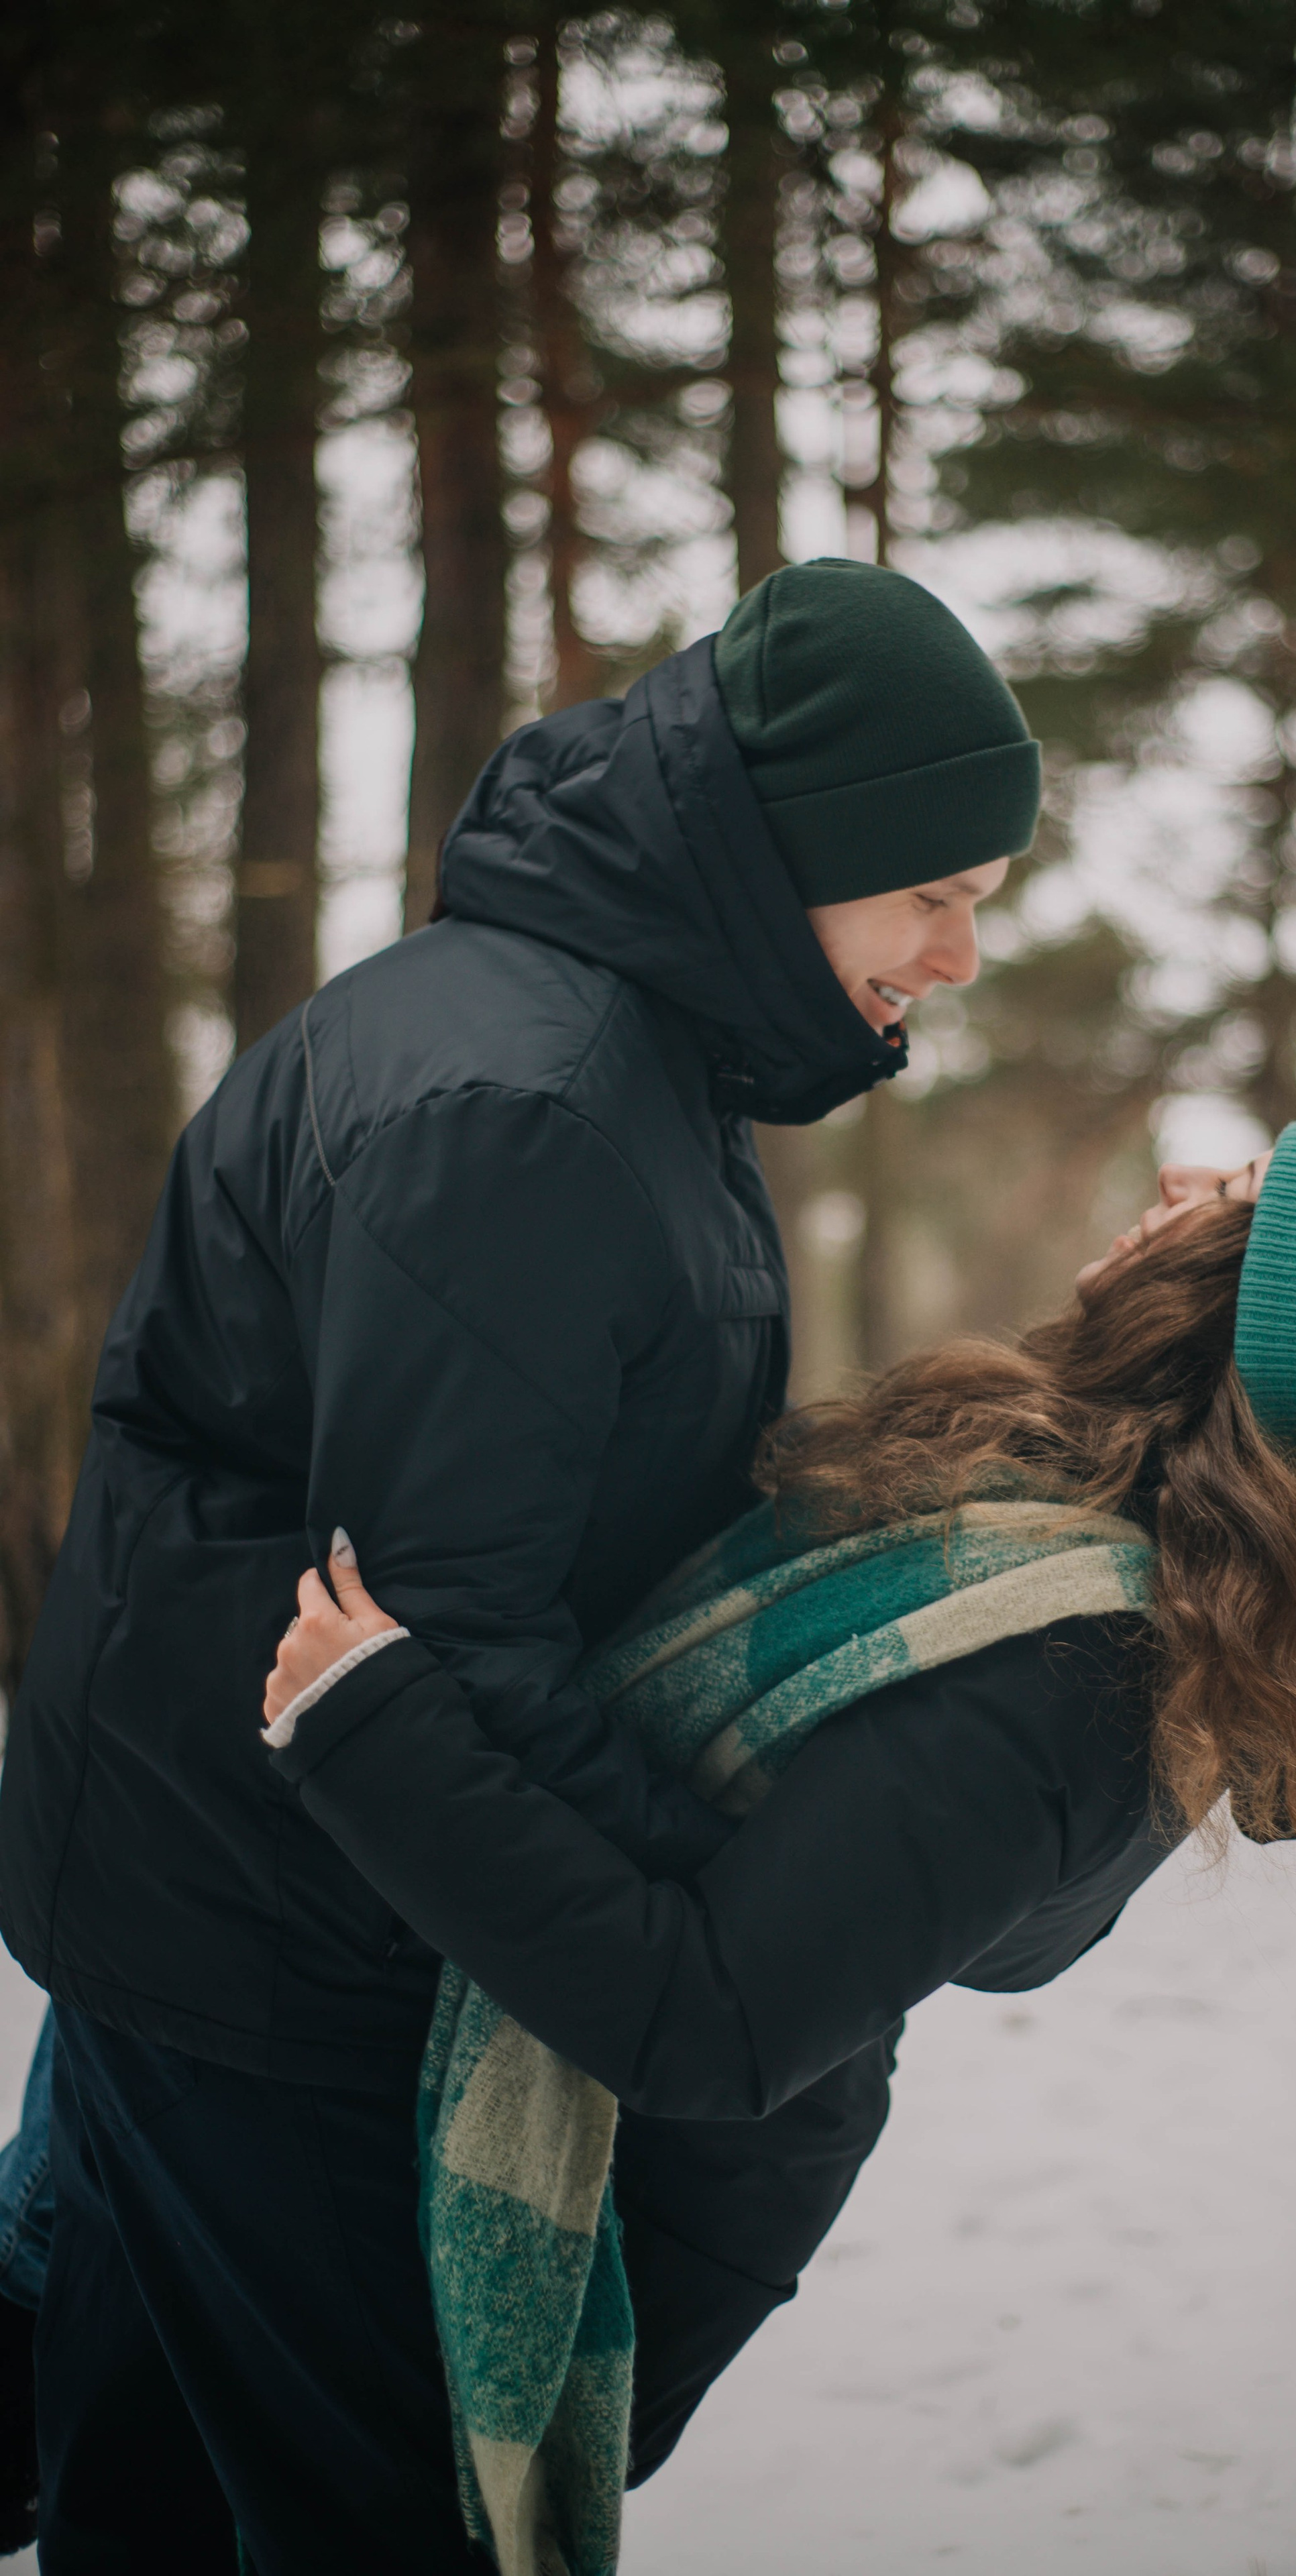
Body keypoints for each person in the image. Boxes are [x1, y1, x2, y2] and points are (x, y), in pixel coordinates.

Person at [0, 557, 1041, 2570]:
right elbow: (439, 1631)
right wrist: (715, 1904)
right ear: (789, 853)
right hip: (268, 1925)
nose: (962, 951)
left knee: (161, 2479)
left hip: (217, 1875)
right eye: (938, 890)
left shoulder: (618, 1053)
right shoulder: (533, 1107)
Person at [246, 1118, 1296, 2558]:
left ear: (1241, 1315)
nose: (1172, 1178)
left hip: (616, 2195)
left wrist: (377, 1737)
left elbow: (708, 2029)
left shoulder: (1077, 1665)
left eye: (1228, 1196)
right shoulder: (1043, 1515)